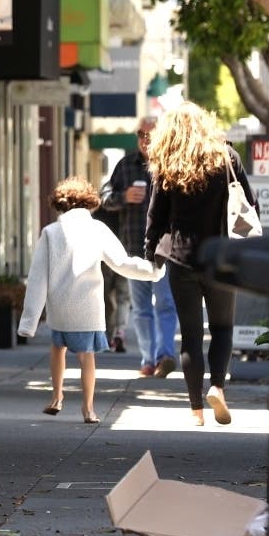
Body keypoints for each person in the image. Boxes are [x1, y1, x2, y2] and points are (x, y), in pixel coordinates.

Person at [144, 102, 257, 427]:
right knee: (222, 328)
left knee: (191, 335)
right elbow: (248, 202)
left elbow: (156, 214)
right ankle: (218, 387)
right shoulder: (227, 158)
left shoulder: (167, 164)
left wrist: (151, 251)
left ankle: (196, 410)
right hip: (221, 257)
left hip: (182, 259)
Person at [18, 177, 164, 424]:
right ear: (88, 203)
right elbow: (121, 263)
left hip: (60, 308)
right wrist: (154, 270)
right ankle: (88, 409)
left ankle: (57, 397)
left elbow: (37, 278)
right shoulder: (98, 229)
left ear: (60, 205)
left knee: (58, 350)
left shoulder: (51, 232)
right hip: (88, 307)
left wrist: (28, 322)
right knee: (87, 357)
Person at [101, 116, 179, 378]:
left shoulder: (172, 164)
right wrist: (123, 197)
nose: (145, 140)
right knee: (141, 307)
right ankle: (148, 359)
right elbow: (103, 199)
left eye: (151, 134)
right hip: (134, 248)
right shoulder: (125, 166)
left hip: (165, 249)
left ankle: (165, 355)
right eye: (141, 134)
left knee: (166, 303)